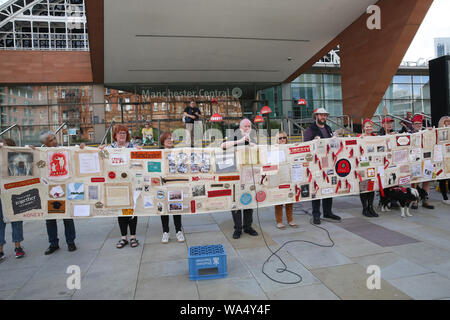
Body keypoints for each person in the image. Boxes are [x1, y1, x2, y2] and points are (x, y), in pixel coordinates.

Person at [102, 125, 141, 248]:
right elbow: (102, 158)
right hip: (117, 184)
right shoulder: (110, 148)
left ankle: (133, 236)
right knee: (121, 210)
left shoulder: (132, 147)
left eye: (124, 133)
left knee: (132, 209)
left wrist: (140, 151)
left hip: (131, 183)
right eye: (119, 133)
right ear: (115, 135)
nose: (122, 135)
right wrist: (100, 150)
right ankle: (123, 237)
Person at [39, 131, 77, 255]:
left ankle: (71, 242)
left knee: (67, 217)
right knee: (50, 218)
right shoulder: (41, 154)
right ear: (44, 143)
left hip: (65, 188)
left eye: (54, 138)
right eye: (50, 140)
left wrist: (81, 147)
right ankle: (53, 243)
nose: (54, 141)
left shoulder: (64, 150)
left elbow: (75, 153)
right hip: (49, 190)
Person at [221, 119, 259, 239]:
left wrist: (254, 146)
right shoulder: (235, 135)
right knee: (236, 202)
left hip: (249, 174)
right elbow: (222, 146)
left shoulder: (251, 138)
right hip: (235, 174)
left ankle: (247, 226)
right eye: (245, 126)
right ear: (240, 127)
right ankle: (237, 228)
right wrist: (240, 141)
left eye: (249, 126)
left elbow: (258, 151)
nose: (247, 128)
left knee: (249, 200)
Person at [303, 108, 341, 225]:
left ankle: (328, 212)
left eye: (325, 115)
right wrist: (313, 142)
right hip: (315, 163)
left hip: (328, 162)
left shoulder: (328, 128)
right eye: (321, 115)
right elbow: (306, 145)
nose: (323, 117)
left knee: (328, 185)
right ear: (316, 116)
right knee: (316, 187)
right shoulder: (310, 129)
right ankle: (316, 215)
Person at [0, 139, 25, 260]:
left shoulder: (15, 159)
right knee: (1, 222)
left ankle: (18, 246)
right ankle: (0, 249)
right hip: (1, 196)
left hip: (13, 193)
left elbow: (22, 172)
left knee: (17, 220)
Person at [159, 132, 185, 243]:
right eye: (167, 138)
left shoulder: (178, 152)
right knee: (164, 208)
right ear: (162, 141)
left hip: (175, 183)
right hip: (163, 184)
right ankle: (165, 232)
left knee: (176, 207)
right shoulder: (159, 153)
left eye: (171, 138)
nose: (169, 140)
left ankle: (178, 231)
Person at [274, 132, 298, 229]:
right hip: (279, 177)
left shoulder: (290, 147)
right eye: (280, 138)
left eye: (284, 137)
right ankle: (279, 221)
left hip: (289, 176)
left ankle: (290, 220)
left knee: (290, 199)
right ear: (277, 140)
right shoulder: (274, 149)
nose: (282, 139)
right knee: (279, 200)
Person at [410, 115, 434, 210]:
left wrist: (431, 132)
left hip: (426, 158)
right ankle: (415, 200)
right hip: (414, 159)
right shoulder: (409, 134)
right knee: (415, 181)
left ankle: (425, 199)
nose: (418, 125)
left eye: (420, 123)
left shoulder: (427, 132)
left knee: (427, 179)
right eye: (416, 124)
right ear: (412, 125)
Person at [357, 119, 379, 218]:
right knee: (363, 187)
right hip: (362, 165)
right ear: (363, 127)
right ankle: (364, 208)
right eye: (367, 126)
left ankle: (371, 207)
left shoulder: (375, 137)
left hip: (372, 165)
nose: (368, 128)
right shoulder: (359, 137)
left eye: (370, 126)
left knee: (371, 187)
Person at [438, 116, 450, 205]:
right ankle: (444, 197)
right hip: (441, 157)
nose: (448, 123)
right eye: (446, 122)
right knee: (443, 178)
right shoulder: (438, 132)